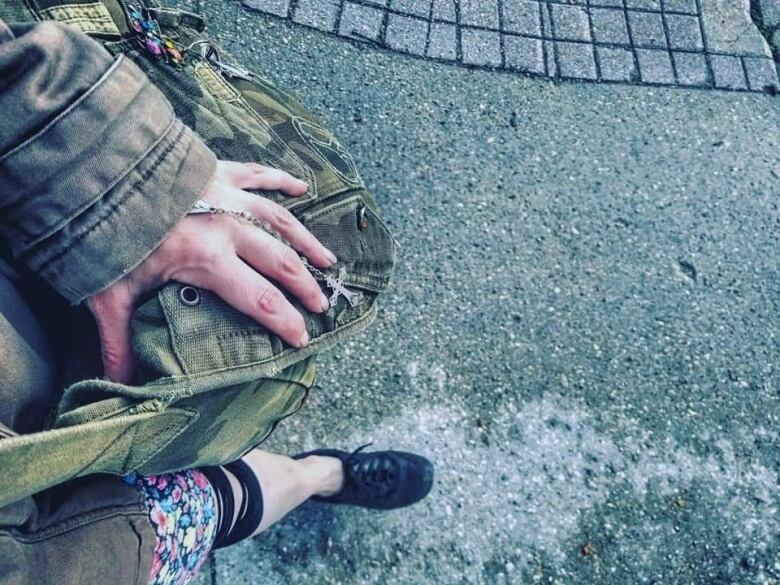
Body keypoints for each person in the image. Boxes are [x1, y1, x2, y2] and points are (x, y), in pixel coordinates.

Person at [0, 3, 433, 584]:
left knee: (214, 495)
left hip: (44, 358)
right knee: (197, 510)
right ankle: (314, 477)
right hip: (86, 559)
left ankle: (321, 476)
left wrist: (115, 195)